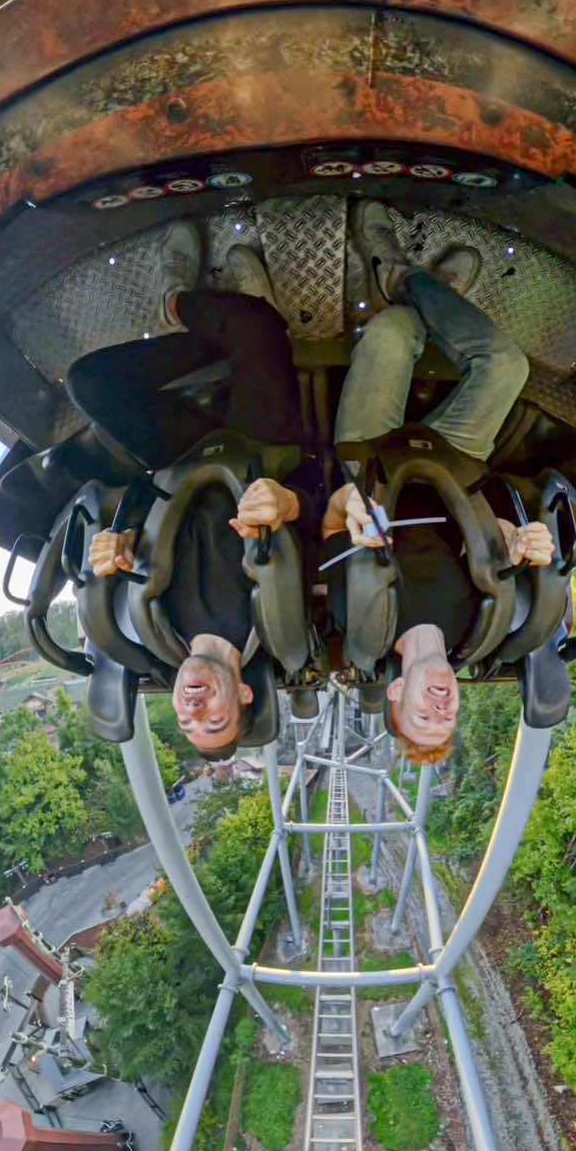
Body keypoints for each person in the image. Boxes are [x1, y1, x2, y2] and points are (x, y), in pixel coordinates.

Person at [70, 224, 328, 756]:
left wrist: (118, 538)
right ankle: (210, 313)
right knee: (257, 327)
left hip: (179, 461)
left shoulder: (153, 622)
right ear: (244, 693)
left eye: (188, 723)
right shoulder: (284, 625)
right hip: (263, 451)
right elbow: (334, 526)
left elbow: (139, 508)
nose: (193, 712)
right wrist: (290, 502)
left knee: (90, 382)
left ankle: (195, 318)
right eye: (215, 720)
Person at [322, 201, 554, 763]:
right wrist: (518, 540)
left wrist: (350, 507)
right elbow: (486, 535)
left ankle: (414, 292)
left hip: (373, 466)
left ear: (397, 692)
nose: (441, 709)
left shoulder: (366, 626)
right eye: (447, 718)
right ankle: (416, 284)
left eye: (422, 716)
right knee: (505, 367)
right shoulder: (478, 628)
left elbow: (329, 523)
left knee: (392, 333)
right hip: (454, 465)